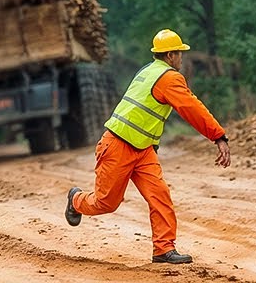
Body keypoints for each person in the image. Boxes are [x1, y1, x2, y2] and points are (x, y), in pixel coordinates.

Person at [64, 29, 231, 265]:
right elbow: (191, 108)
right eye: (180, 53)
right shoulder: (169, 77)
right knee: (106, 203)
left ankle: (163, 249)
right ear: (171, 55)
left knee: (160, 195)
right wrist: (219, 136)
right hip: (118, 146)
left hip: (143, 150)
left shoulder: (148, 70)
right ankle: (76, 200)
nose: (182, 58)